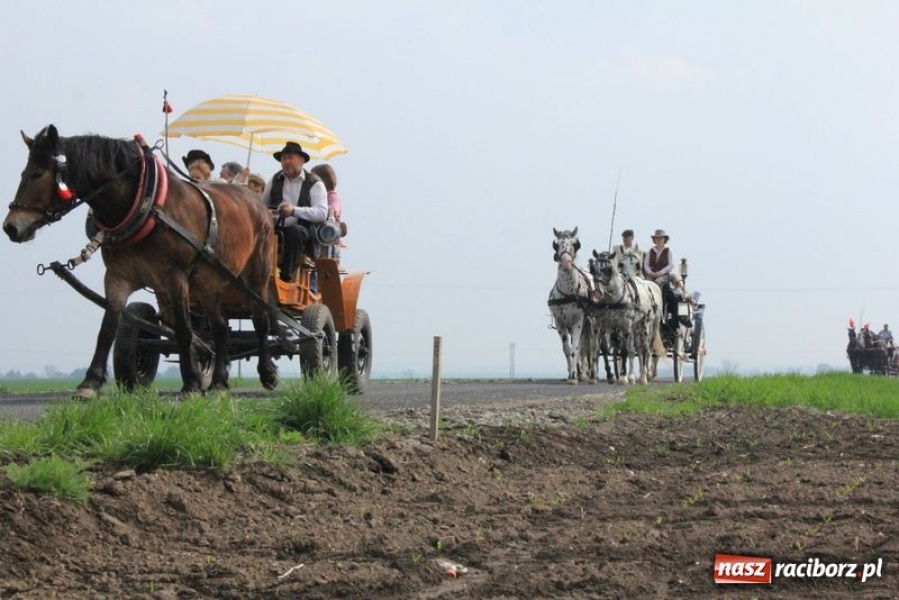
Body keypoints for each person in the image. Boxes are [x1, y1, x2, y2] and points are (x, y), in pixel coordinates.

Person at [260, 142, 327, 282]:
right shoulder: (275, 179)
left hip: (304, 231)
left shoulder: (314, 183)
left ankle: (286, 276)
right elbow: (262, 205)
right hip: (275, 226)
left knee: (293, 232)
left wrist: (293, 211)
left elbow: (321, 213)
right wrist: (270, 214)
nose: (286, 162)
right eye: (284, 159)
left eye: (290, 158)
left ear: (301, 161)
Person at [643, 228, 690, 299]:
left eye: (660, 238)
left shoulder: (668, 250)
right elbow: (646, 264)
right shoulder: (650, 251)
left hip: (664, 275)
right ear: (654, 240)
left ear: (664, 239)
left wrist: (660, 273)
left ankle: (686, 295)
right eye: (657, 238)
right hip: (651, 275)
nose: (658, 240)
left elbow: (671, 265)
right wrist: (650, 273)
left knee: (659, 282)